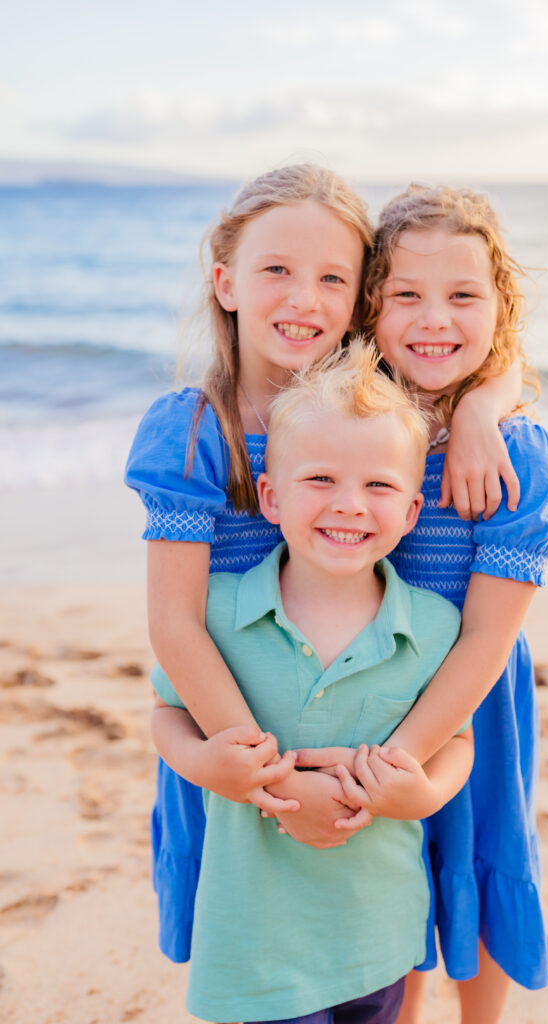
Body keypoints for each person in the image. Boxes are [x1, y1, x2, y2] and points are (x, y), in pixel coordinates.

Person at [124, 164, 523, 964]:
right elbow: (173, 624)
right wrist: (263, 775)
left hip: (390, 699)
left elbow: (481, 349)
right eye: (276, 270)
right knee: (260, 933)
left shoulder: (374, 406)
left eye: (332, 279)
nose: (304, 300)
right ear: (224, 279)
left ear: (358, 302)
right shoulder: (194, 430)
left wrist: (483, 404)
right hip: (238, 718)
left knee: (408, 904)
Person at [298, 185, 548, 1024]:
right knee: (397, 875)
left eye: (462, 296)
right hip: (371, 690)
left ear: (501, 308)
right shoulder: (356, 427)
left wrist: (401, 763)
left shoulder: (517, 452)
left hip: (473, 704)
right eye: (405, 296)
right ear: (370, 309)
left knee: (483, 862)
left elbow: (488, 636)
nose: (433, 319)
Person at [151, 341, 475, 1024]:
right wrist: (202, 761)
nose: (349, 506)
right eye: (320, 480)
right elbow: (166, 713)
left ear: (412, 512)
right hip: (259, 939)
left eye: (379, 486)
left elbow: (459, 739)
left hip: (376, 930)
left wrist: (424, 792)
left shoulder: (434, 626)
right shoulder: (218, 613)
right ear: (270, 495)